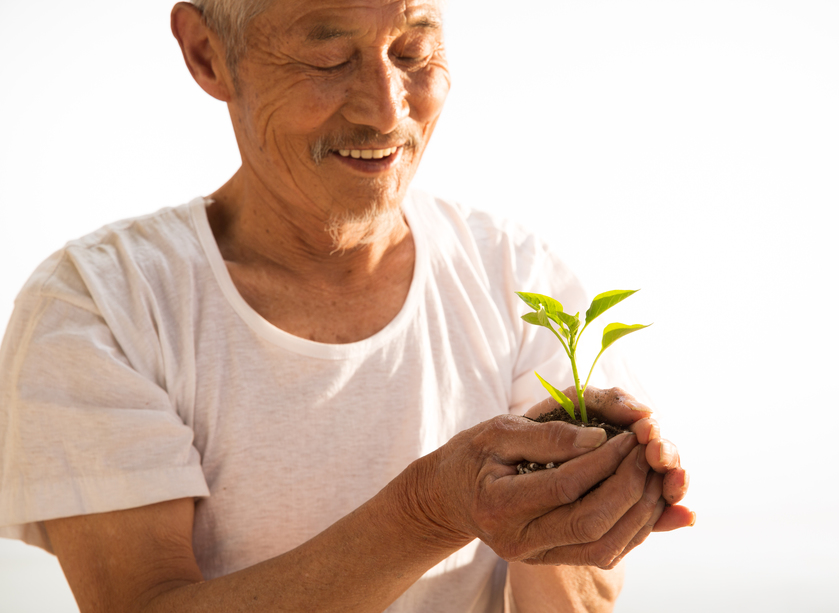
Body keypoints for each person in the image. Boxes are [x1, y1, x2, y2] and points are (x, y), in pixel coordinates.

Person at [0, 0, 693, 610]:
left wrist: (580, 507)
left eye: (413, 51)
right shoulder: (102, 304)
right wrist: (433, 506)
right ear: (208, 53)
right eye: (328, 57)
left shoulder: (516, 275)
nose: (387, 108)